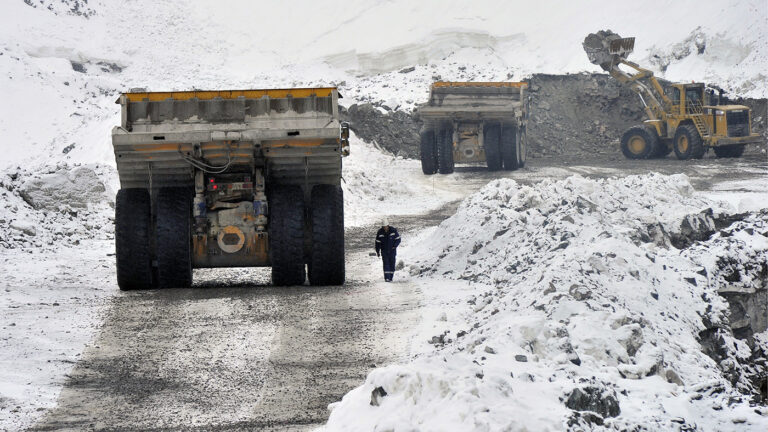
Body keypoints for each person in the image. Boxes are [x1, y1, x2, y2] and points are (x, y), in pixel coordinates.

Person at [375, 218, 400, 282]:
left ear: (388, 225)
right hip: (384, 251)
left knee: (392, 264)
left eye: (386, 226)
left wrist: (395, 246)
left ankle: (391, 277)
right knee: (386, 264)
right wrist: (377, 251)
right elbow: (377, 243)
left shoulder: (393, 231)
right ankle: (387, 278)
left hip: (392, 251)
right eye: (384, 227)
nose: (385, 228)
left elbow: (398, 239)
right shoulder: (380, 232)